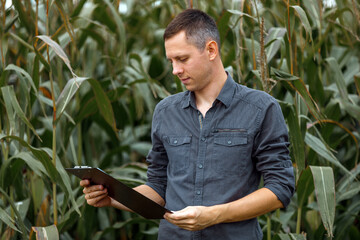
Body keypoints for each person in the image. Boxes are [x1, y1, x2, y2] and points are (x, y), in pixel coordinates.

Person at [81, 9, 295, 240]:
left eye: (183, 59)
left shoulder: (261, 108)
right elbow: (158, 188)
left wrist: (215, 214)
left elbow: (279, 188)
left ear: (211, 50)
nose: (175, 70)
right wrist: (114, 197)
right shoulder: (165, 111)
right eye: (171, 61)